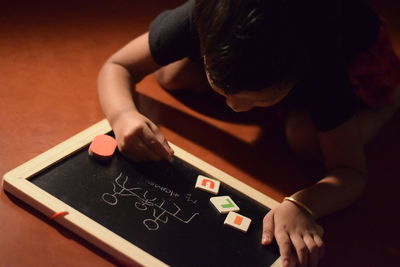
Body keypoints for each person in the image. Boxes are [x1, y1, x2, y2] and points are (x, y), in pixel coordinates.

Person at [97, 0, 400, 266]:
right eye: (223, 89)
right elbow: (117, 64)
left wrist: (304, 204)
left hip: (357, 52)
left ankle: (388, 104)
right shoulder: (201, 16)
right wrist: (123, 116)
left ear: (294, 78)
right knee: (170, 76)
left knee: (305, 141)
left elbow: (350, 171)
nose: (235, 108)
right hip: (272, 55)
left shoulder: (322, 64)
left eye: (256, 98)